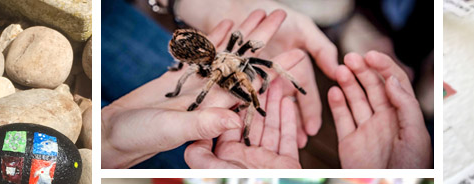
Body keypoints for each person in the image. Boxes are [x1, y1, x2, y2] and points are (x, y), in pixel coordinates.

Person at [102, 2, 431, 169]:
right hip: (202, 55)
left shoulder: (237, 59)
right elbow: (192, 78)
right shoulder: (202, 69)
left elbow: (265, 64)